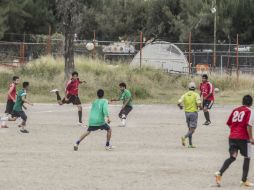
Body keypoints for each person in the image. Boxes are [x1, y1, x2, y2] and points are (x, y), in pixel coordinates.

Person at [214, 95, 254, 187]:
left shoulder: (235, 110)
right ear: (251, 103)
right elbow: (249, 125)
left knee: (233, 157)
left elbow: (229, 123)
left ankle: (219, 173)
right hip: (243, 138)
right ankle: (244, 181)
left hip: (232, 137)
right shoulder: (250, 111)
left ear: (242, 102)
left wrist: (234, 131)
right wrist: (251, 138)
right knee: (247, 157)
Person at [178, 82, 202, 148]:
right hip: (193, 113)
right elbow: (199, 104)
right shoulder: (196, 95)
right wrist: (201, 108)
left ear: (188, 88)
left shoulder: (185, 94)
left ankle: (190, 144)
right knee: (192, 130)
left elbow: (179, 102)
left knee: (189, 129)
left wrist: (180, 107)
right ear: (195, 88)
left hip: (186, 113)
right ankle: (184, 137)